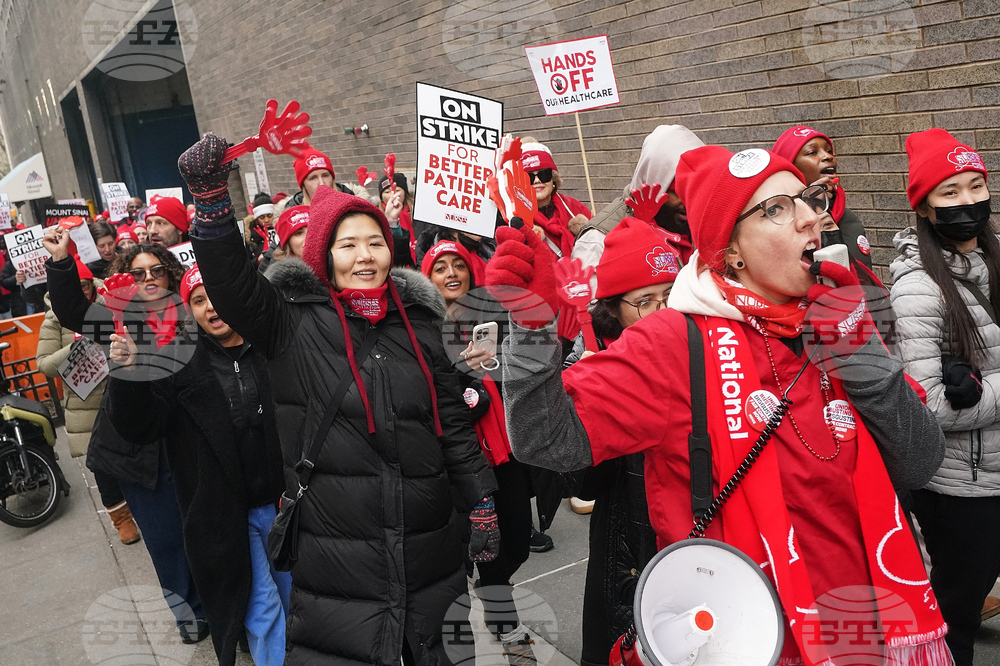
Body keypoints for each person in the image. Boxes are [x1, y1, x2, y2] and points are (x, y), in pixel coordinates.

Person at [488, 145, 950, 665]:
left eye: (806, 199)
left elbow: (921, 460)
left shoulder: (836, 315)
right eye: (776, 209)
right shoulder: (672, 341)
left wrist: (860, 352)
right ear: (730, 250)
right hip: (744, 640)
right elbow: (544, 440)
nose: (809, 217)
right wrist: (530, 330)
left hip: (868, 628)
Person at [180, 132, 498, 665]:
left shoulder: (421, 323)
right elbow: (233, 288)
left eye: (374, 242)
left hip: (428, 547)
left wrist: (482, 499)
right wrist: (212, 206)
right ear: (323, 255)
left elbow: (452, 422)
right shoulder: (290, 321)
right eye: (347, 245)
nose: (365, 257)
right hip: (337, 557)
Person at [105, 265, 289, 666]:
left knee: (298, 600)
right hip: (227, 515)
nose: (211, 307)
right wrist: (128, 373)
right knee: (264, 608)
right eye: (198, 300)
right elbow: (140, 426)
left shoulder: (271, 346)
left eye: (216, 294)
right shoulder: (176, 363)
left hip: (284, 508)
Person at [42, 236, 210, 645]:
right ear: (125, 280)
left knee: (203, 532)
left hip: (187, 448)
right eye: (138, 273)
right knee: (166, 540)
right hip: (136, 456)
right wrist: (62, 261)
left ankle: (218, 604)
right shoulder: (116, 318)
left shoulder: (192, 316)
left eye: (156, 271)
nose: (148, 279)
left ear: (171, 275)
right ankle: (187, 612)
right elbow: (70, 310)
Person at [889, 128, 999, 666]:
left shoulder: (994, 261)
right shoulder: (917, 285)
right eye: (949, 191)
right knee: (955, 612)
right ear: (925, 207)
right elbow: (927, 405)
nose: (967, 201)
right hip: (964, 488)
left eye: (975, 185)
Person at [566, 218, 681, 666]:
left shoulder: (705, 346)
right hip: (626, 542)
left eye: (671, 296)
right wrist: (594, 401)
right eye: (644, 301)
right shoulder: (594, 359)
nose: (661, 311)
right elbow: (581, 483)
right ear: (614, 308)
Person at [421, 239, 537, 662]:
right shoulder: (421, 333)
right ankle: (498, 628)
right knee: (469, 558)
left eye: (458, 265)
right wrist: (458, 373)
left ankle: (495, 604)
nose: (451, 273)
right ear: (427, 278)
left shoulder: (492, 318)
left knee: (516, 544)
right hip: (457, 466)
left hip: (505, 456)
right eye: (440, 267)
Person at [35, 257, 140, 545]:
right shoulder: (53, 318)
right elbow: (44, 364)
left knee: (135, 451)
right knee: (103, 466)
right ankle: (122, 520)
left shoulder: (110, 302)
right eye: (73, 285)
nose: (79, 290)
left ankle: (144, 508)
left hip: (121, 388)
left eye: (82, 284)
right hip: (85, 403)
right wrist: (79, 343)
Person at [573, 125, 704, 274]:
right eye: (678, 191)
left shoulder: (706, 218)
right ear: (653, 180)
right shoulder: (598, 240)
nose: (689, 199)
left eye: (697, 187)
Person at [773, 126, 874, 270]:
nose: (828, 157)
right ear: (790, 167)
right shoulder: (781, 222)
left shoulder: (847, 216)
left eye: (828, 151)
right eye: (812, 152)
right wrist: (810, 200)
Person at [286, 146, 374, 207]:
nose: (321, 183)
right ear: (304, 185)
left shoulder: (354, 205)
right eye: (313, 178)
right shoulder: (293, 216)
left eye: (325, 176)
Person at [379, 173, 417, 268]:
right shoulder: (376, 220)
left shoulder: (419, 214)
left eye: (397, 190)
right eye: (387, 192)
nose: (393, 195)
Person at [257, 205, 308, 274]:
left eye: (311, 230)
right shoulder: (279, 278)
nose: (307, 238)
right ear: (287, 242)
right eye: (298, 233)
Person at [247, 192, 275, 262]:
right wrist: (257, 261)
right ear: (256, 218)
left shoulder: (280, 229)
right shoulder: (249, 234)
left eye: (269, 216)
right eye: (262, 217)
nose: (266, 220)